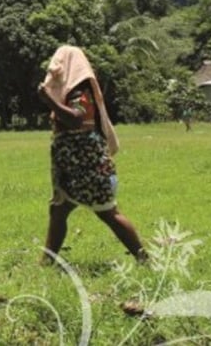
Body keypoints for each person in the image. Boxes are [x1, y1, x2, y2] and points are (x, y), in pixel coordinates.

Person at [37, 45, 147, 264]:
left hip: (86, 168)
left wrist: (48, 99)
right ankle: (47, 261)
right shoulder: (72, 92)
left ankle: (143, 257)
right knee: (59, 209)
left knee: (107, 212)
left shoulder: (79, 92)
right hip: (75, 169)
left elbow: (76, 119)